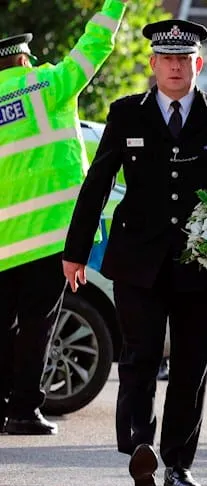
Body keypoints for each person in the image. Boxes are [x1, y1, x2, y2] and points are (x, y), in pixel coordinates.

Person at [62, 19, 207, 486]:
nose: (175, 67)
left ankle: (178, 464)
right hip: (138, 261)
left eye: (183, 59)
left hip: (202, 261)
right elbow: (98, 182)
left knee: (191, 366)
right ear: (152, 64)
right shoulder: (127, 113)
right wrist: (76, 251)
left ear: (198, 64)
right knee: (140, 358)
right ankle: (139, 446)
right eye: (166, 59)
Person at [0, 0, 128, 436]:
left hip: (3, 244)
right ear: (24, 59)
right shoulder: (48, 84)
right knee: (37, 325)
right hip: (50, 236)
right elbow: (96, 44)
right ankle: (23, 411)